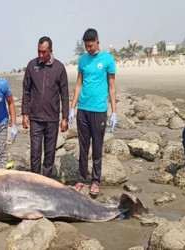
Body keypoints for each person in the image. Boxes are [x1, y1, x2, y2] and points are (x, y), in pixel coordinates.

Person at [68, 28, 117, 196]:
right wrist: (72, 108)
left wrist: (114, 111)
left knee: (97, 147)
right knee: (83, 146)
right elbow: (78, 84)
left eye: (91, 45)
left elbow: (112, 87)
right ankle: (82, 178)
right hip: (83, 109)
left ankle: (96, 181)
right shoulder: (82, 60)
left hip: (99, 110)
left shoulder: (108, 60)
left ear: (98, 42)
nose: (88, 49)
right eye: (86, 46)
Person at [22, 36, 69, 177]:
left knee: (49, 153)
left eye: (44, 52)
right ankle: (35, 180)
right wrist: (25, 113)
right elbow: (26, 91)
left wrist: (65, 117)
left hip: (52, 118)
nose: (41, 55)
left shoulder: (59, 68)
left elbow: (64, 94)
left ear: (51, 51)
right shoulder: (32, 66)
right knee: (35, 152)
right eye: (39, 51)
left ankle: (46, 181)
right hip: (35, 118)